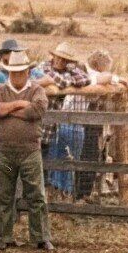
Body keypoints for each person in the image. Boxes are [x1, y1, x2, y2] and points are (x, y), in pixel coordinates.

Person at [0, 51, 51, 251]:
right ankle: (4, 236)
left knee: (36, 195)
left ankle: (40, 236)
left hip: (30, 150)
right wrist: (18, 104)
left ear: (27, 72)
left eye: (20, 72)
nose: (16, 76)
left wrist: (7, 112)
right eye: (13, 72)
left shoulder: (37, 90)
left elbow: (37, 111)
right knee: (3, 195)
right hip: (4, 150)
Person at [42, 43, 91, 197]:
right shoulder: (43, 66)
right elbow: (61, 82)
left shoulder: (67, 70)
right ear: (53, 56)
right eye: (59, 58)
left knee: (45, 167)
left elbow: (85, 79)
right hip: (37, 124)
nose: (60, 62)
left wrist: (69, 72)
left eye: (65, 60)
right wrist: (68, 77)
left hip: (50, 129)